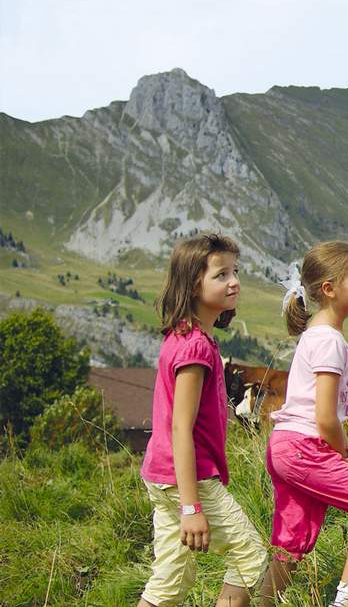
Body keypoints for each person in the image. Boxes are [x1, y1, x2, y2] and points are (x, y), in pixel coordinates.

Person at [262, 242, 348, 607]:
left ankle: (264, 602)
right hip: (307, 447)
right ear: (329, 289)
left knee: (291, 543)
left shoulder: (315, 335)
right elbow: (324, 417)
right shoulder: (330, 341)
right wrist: (341, 450)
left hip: (284, 445)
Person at [138, 233, 267, 607]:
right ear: (194, 284)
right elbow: (181, 426)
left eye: (235, 271)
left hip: (163, 476)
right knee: (249, 558)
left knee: (169, 583)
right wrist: (192, 508)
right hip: (187, 479)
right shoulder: (194, 346)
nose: (234, 281)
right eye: (221, 274)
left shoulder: (187, 337)